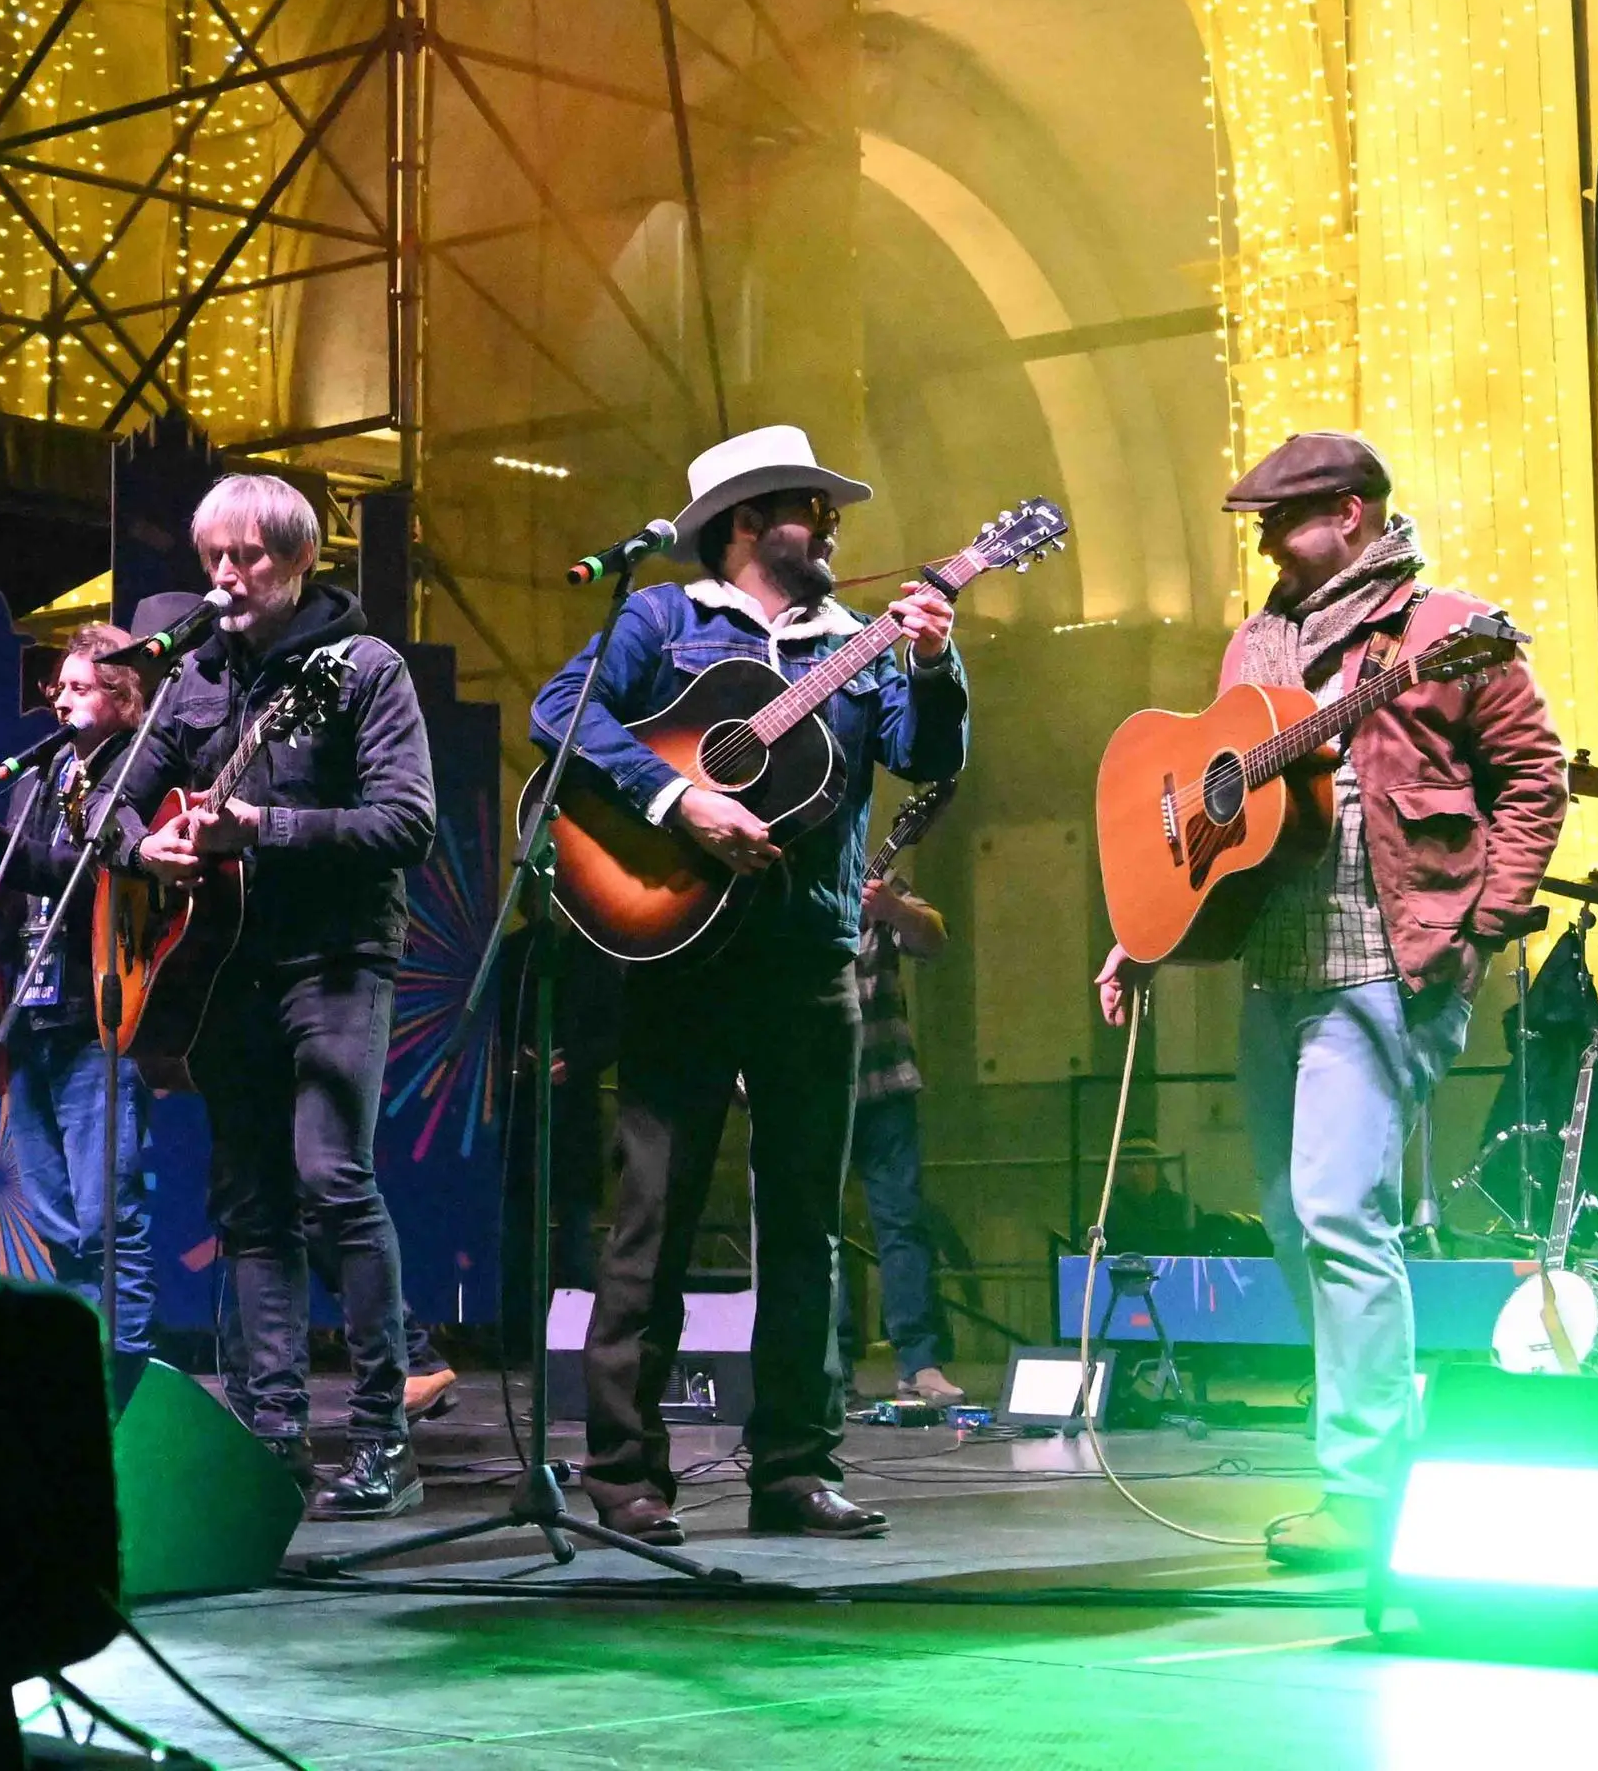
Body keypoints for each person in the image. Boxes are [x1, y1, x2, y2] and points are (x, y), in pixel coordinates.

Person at [1097, 431, 1565, 1570]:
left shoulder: (1445, 627)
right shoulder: (1256, 640)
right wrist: (1146, 931)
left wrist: (1481, 924)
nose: (1262, 536)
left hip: (1389, 960)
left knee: (1342, 1211)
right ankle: (1375, 1448)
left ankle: (1363, 1489)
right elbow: (1221, 819)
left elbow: (1535, 777)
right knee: (1290, 1216)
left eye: (1282, 516)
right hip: (1277, 964)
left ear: (1352, 512)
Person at [534, 424, 968, 1544]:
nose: (830, 524)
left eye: (829, 509)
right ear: (742, 522)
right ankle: (626, 1471)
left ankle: (792, 1468)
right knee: (653, 1216)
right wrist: (684, 804)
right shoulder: (663, 617)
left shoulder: (861, 643)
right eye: (805, 506)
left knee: (805, 1225)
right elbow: (559, 714)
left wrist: (934, 662)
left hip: (809, 958)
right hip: (675, 953)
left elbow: (927, 756)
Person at [111, 473, 439, 1518]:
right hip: (226, 965)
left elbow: (407, 822)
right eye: (214, 556)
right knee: (249, 1197)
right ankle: (273, 1434)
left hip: (339, 956)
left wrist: (269, 829)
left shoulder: (365, 669)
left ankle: (385, 1433)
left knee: (330, 1176)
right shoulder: (195, 675)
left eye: (248, 556)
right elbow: (110, 806)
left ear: (300, 561)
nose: (227, 575)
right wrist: (146, 845)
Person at [0, 621, 162, 1360]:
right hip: (31, 1017)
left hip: (97, 1013)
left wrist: (1, 849)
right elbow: (14, 883)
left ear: (125, 697)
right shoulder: (41, 778)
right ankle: (83, 1359)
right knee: (51, 1215)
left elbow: (88, 869)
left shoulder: (136, 772)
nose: (60, 701)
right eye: (57, 688)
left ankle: (123, 1377)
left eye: (79, 687)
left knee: (107, 1217)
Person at [845, 865, 962, 1405]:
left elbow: (934, 937)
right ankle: (827, 1367)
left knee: (903, 1225)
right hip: (808, 1090)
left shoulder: (872, 873)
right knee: (811, 1236)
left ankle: (919, 1362)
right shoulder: (773, 875)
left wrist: (893, 908)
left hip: (885, 1081)